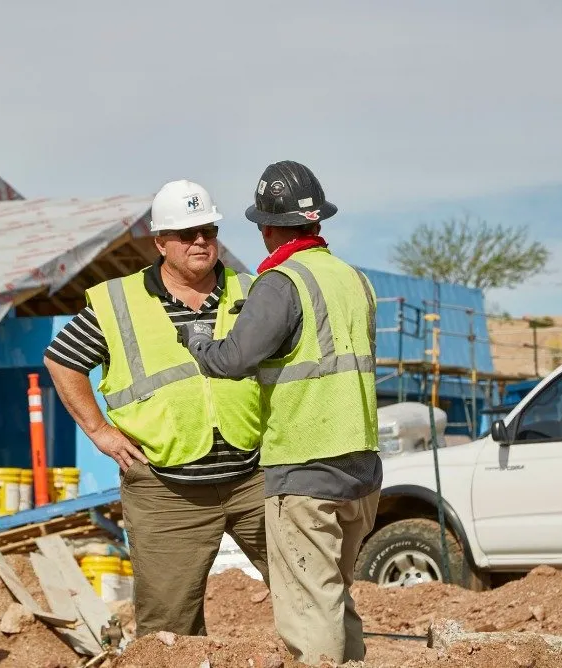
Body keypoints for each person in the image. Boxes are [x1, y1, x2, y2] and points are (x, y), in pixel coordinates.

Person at [43, 179, 268, 637]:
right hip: (166, 491)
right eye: (186, 233)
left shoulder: (255, 292)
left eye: (208, 230)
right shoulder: (118, 302)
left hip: (255, 478)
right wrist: (99, 431)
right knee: (169, 628)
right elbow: (62, 360)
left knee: (305, 591)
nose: (200, 240)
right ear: (160, 242)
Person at [184, 160, 382, 665]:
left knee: (309, 607)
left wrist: (199, 340)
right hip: (361, 466)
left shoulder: (280, 282)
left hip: (305, 465)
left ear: (267, 227)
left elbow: (233, 360)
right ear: (316, 221)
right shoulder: (354, 279)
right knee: (332, 594)